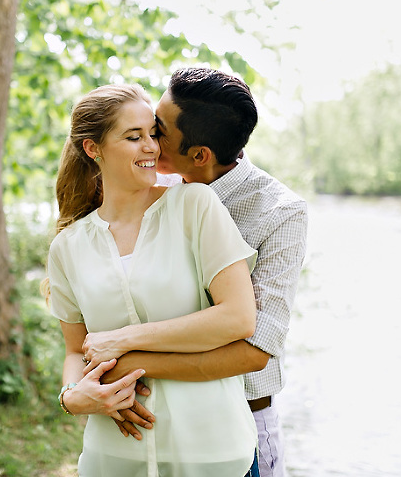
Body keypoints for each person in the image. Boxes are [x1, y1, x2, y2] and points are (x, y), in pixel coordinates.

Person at [100, 68, 308, 477]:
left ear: (200, 156)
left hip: (242, 424)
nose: (147, 138)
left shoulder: (279, 213)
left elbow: (255, 352)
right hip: (154, 416)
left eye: (158, 130)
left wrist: (129, 359)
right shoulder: (147, 190)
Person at [46, 83, 262, 476]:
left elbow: (238, 318)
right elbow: (77, 350)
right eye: (133, 137)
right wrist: (74, 397)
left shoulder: (194, 205)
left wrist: (124, 340)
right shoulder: (67, 247)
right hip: (113, 457)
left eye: (152, 134)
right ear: (93, 149)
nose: (152, 147)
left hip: (211, 454)